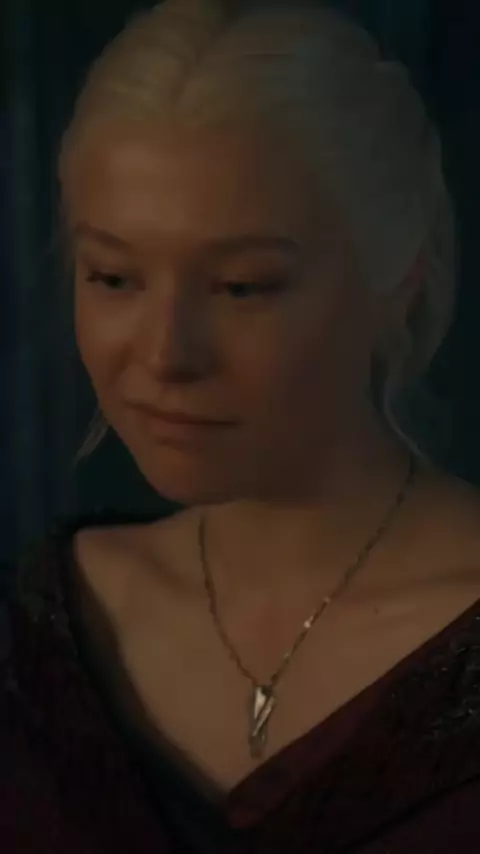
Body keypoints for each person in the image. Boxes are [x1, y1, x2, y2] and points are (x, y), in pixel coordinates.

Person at [2, 0, 480, 850]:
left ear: (398, 283)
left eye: (242, 286)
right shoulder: (45, 628)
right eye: (113, 277)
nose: (165, 353)